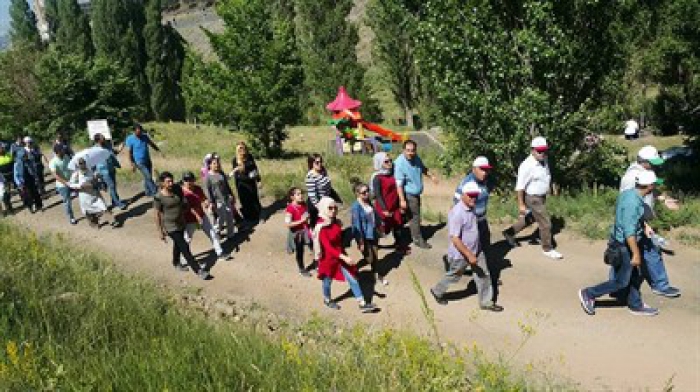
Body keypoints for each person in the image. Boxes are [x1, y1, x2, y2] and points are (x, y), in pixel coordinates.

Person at [579, 171, 660, 316]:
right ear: (649, 186)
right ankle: (589, 293)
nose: (655, 187)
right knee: (621, 281)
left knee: (635, 274)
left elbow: (630, 219)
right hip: (625, 246)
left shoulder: (630, 193)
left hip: (621, 241)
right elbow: (629, 233)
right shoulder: (632, 203)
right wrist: (635, 254)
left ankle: (635, 304)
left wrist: (644, 226)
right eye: (654, 185)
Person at [430, 182, 503, 311]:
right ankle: (437, 291)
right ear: (463, 195)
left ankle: (486, 302)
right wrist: (469, 255)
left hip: (476, 250)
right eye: (470, 195)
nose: (473, 198)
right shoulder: (457, 213)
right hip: (461, 254)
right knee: (454, 276)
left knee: (483, 273)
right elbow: (455, 238)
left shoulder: (471, 207)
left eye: (475, 195)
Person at [619, 145, 680, 298]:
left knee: (644, 253)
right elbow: (628, 205)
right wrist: (644, 224)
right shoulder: (631, 178)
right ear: (644, 161)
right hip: (636, 223)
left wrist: (664, 199)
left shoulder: (645, 173)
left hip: (642, 222)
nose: (655, 166)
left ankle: (621, 285)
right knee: (633, 253)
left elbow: (652, 189)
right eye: (652, 162)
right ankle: (619, 286)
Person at [502, 137, 563, 259]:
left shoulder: (544, 160)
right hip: (532, 197)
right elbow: (520, 187)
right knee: (546, 224)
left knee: (531, 218)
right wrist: (521, 205)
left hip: (541, 196)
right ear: (532, 150)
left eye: (544, 150)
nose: (542, 153)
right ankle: (547, 248)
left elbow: (546, 176)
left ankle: (509, 232)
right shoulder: (526, 165)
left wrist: (551, 188)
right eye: (539, 151)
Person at [313, 197, 376, 312]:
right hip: (328, 259)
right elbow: (328, 247)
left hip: (340, 256)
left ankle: (362, 303)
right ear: (323, 209)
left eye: (335, 208)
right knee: (327, 281)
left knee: (352, 278)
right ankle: (327, 299)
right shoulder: (321, 227)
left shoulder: (335, 222)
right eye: (330, 208)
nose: (333, 210)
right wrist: (343, 257)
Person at [154, 171, 211, 280]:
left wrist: (195, 214)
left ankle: (175, 262)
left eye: (171, 181)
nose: (171, 183)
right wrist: (160, 231)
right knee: (184, 246)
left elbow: (184, 203)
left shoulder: (176, 189)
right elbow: (157, 215)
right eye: (168, 182)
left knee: (178, 244)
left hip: (181, 223)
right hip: (170, 226)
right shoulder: (159, 197)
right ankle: (198, 270)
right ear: (162, 183)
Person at [450, 156, 494, 269]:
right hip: (471, 222)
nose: (485, 172)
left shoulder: (484, 181)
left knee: (485, 246)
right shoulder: (466, 183)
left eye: (486, 169)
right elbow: (456, 203)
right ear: (474, 169)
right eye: (482, 169)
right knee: (474, 248)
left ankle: (482, 272)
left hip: (481, 219)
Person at [394, 140, 437, 249]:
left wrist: (431, 176)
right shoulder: (400, 163)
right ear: (403, 150)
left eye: (412, 150)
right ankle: (417, 239)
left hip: (415, 193)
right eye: (408, 150)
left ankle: (401, 233)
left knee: (408, 216)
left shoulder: (416, 158)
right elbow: (399, 184)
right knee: (415, 217)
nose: (410, 153)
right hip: (408, 194)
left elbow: (422, 168)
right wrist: (402, 200)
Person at [181, 171, 231, 264]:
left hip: (202, 216)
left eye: (191, 180)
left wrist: (207, 203)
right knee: (187, 239)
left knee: (213, 234)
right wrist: (196, 216)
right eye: (186, 180)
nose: (189, 182)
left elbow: (203, 199)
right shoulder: (182, 193)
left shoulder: (197, 189)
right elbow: (186, 207)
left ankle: (220, 253)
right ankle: (183, 257)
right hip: (189, 220)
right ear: (183, 181)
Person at [351, 181, 388, 286]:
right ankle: (355, 269)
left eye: (367, 191)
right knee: (369, 257)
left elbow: (374, 215)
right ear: (358, 194)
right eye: (364, 192)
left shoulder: (368, 202)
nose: (367, 194)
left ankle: (376, 275)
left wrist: (380, 226)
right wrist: (360, 241)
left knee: (375, 256)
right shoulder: (356, 207)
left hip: (373, 233)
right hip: (364, 236)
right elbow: (357, 225)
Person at [371, 152, 404, 251]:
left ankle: (398, 245)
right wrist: (384, 209)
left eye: (390, 161)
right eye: (386, 162)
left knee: (398, 225)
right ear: (380, 163)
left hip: (395, 205)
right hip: (383, 207)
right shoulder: (377, 177)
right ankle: (374, 244)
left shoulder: (393, 173)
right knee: (382, 229)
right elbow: (378, 194)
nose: (390, 163)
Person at [69, 157, 114, 228]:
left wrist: (97, 178)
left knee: (103, 206)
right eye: (80, 163)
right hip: (84, 195)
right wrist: (80, 186)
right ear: (78, 165)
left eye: (83, 162)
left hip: (94, 193)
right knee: (88, 211)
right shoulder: (76, 174)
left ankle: (112, 220)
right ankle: (94, 223)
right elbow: (71, 184)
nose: (82, 164)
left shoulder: (89, 170)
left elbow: (94, 179)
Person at [203, 155, 237, 239]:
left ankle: (231, 235)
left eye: (217, 163)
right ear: (210, 165)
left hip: (226, 199)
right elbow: (207, 191)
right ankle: (215, 232)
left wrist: (231, 195)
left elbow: (226, 185)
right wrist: (211, 203)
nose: (216, 165)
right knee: (222, 218)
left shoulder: (221, 173)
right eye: (214, 163)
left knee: (230, 217)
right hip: (218, 202)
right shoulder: (208, 177)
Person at [230, 142, 262, 224]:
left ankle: (258, 216)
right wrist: (249, 178)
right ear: (237, 150)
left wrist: (258, 180)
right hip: (242, 185)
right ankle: (248, 218)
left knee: (254, 199)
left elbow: (255, 168)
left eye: (243, 147)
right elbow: (237, 176)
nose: (242, 149)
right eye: (240, 148)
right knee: (246, 201)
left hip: (251, 183)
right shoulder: (235, 160)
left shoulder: (249, 157)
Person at [125, 124, 160, 197]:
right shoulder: (130, 139)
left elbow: (151, 143)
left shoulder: (144, 136)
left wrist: (158, 150)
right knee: (148, 177)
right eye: (137, 132)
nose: (139, 133)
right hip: (139, 162)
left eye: (140, 131)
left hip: (147, 160)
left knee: (147, 176)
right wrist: (132, 163)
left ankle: (148, 192)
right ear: (134, 131)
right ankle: (156, 192)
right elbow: (129, 152)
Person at [284, 187, 313, 277]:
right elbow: (288, 224)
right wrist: (301, 221)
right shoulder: (290, 208)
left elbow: (306, 215)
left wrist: (308, 219)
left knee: (313, 246)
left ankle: (318, 264)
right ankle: (302, 269)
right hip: (297, 234)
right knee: (300, 251)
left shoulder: (303, 204)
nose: (301, 196)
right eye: (298, 194)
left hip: (306, 230)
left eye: (301, 194)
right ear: (292, 197)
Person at [94, 133, 127, 210]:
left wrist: (122, 145)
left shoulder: (107, 145)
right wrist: (95, 172)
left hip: (111, 167)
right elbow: (92, 161)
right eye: (102, 138)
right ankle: (118, 203)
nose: (104, 138)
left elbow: (115, 152)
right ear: (98, 140)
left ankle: (114, 201)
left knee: (114, 186)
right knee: (111, 186)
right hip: (103, 170)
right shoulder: (95, 150)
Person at [305, 154, 338, 226]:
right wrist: (321, 209)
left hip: (327, 200)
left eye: (321, 162)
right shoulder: (310, 177)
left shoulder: (323, 170)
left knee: (331, 219)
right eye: (317, 162)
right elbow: (313, 196)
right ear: (311, 164)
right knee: (319, 224)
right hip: (317, 203)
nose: (320, 164)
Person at [48, 144, 76, 225]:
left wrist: (74, 176)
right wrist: (66, 183)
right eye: (62, 150)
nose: (64, 151)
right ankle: (71, 217)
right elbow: (56, 176)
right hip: (62, 186)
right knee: (67, 201)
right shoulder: (53, 162)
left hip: (72, 181)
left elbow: (70, 167)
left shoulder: (66, 156)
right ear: (58, 152)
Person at [13, 146, 43, 213]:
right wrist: (19, 184)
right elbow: (16, 176)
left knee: (35, 193)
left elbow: (34, 170)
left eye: (26, 155)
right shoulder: (17, 164)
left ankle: (39, 206)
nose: (26, 156)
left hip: (31, 179)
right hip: (23, 182)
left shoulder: (29, 161)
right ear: (20, 156)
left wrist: (36, 178)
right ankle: (31, 207)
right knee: (28, 196)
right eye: (24, 156)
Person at [0, 143, 14, 214]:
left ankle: (9, 207)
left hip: (8, 178)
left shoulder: (8, 154)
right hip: (2, 179)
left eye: (2, 148)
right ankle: (5, 210)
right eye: (1, 148)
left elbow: (13, 164)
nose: (2, 149)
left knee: (7, 194)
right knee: (4, 195)